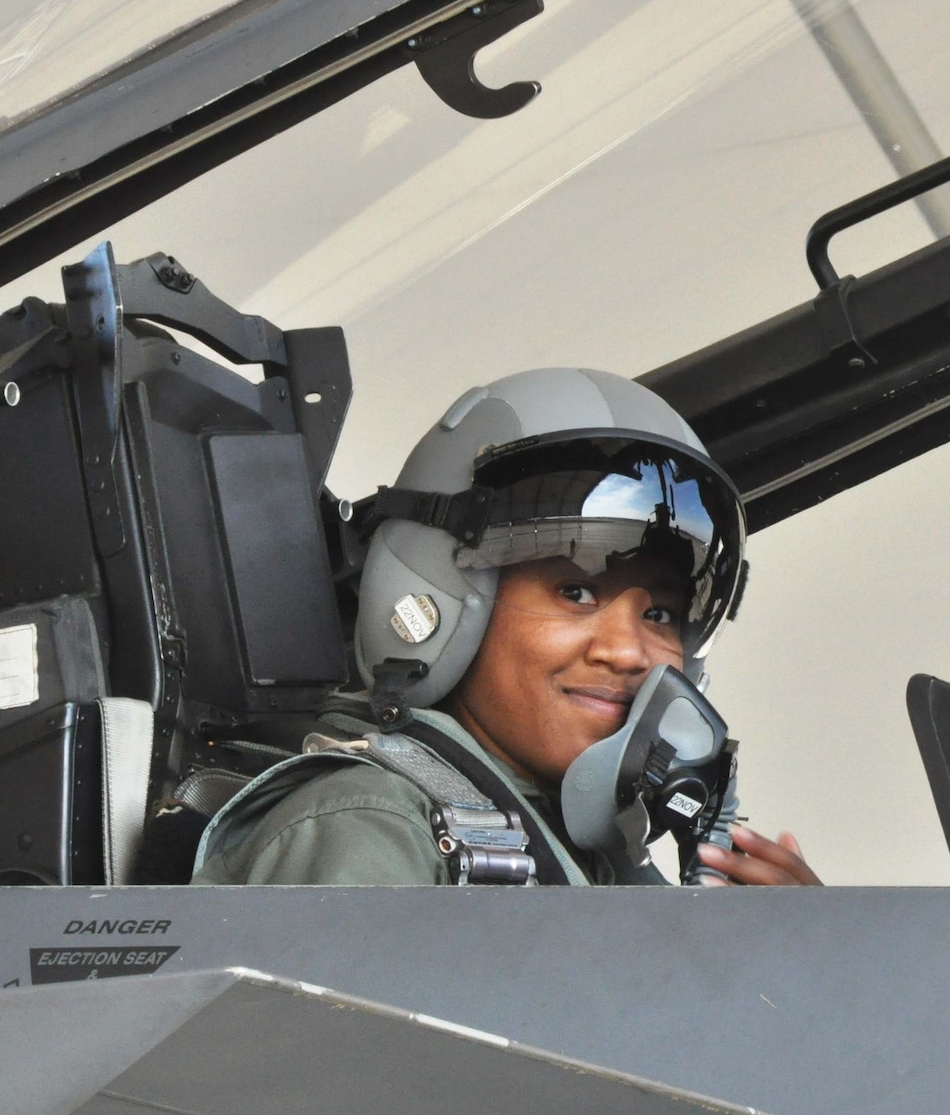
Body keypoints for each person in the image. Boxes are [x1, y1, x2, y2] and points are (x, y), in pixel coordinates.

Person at [192, 367, 818, 887]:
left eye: (660, 614)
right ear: (446, 597)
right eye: (576, 592)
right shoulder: (373, 830)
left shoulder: (593, 853)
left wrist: (800, 963)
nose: (628, 652)